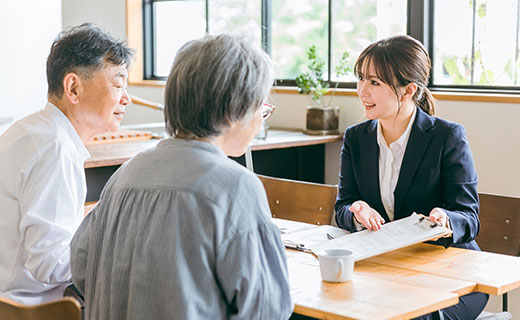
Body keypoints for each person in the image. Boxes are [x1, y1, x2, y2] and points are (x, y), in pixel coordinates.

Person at [70, 34, 293, 319]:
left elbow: (80, 267)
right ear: (234, 110)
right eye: (261, 106)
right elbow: (267, 310)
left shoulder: (125, 175)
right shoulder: (235, 186)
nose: (262, 117)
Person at [334, 35, 488, 319]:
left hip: (451, 273)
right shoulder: (356, 138)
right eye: (361, 79)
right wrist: (356, 211)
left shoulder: (447, 136)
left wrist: (445, 218)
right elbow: (343, 206)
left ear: (408, 91)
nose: (361, 91)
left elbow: (469, 218)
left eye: (374, 82)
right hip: (387, 270)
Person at [0, 23, 133, 305]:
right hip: (27, 309)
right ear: (73, 87)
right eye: (118, 84)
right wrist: (118, 247)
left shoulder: (31, 131)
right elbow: (49, 264)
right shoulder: (55, 149)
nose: (126, 98)